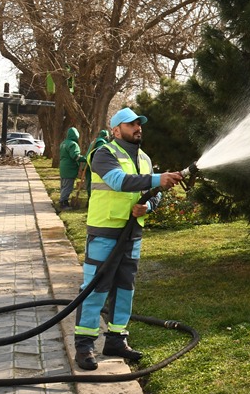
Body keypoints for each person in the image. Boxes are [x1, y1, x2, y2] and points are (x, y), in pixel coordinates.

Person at [73, 107, 182, 371]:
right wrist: (158, 177)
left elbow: (153, 193)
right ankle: (85, 347)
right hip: (105, 232)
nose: (137, 128)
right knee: (95, 288)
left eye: (139, 124)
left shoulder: (144, 158)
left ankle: (116, 340)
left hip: (132, 234)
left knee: (125, 288)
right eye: (131, 124)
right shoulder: (103, 154)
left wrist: (150, 206)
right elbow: (118, 181)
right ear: (116, 130)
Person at [58, 127, 84, 210]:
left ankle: (62, 201)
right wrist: (86, 158)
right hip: (69, 168)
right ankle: (63, 203)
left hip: (63, 167)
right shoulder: (73, 144)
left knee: (63, 186)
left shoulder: (63, 143)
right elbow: (75, 156)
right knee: (68, 187)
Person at [83, 129, 109, 197]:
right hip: (93, 166)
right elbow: (100, 156)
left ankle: (89, 198)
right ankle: (90, 198)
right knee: (93, 184)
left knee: (89, 183)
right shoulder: (101, 142)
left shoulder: (94, 141)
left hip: (88, 165)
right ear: (106, 136)